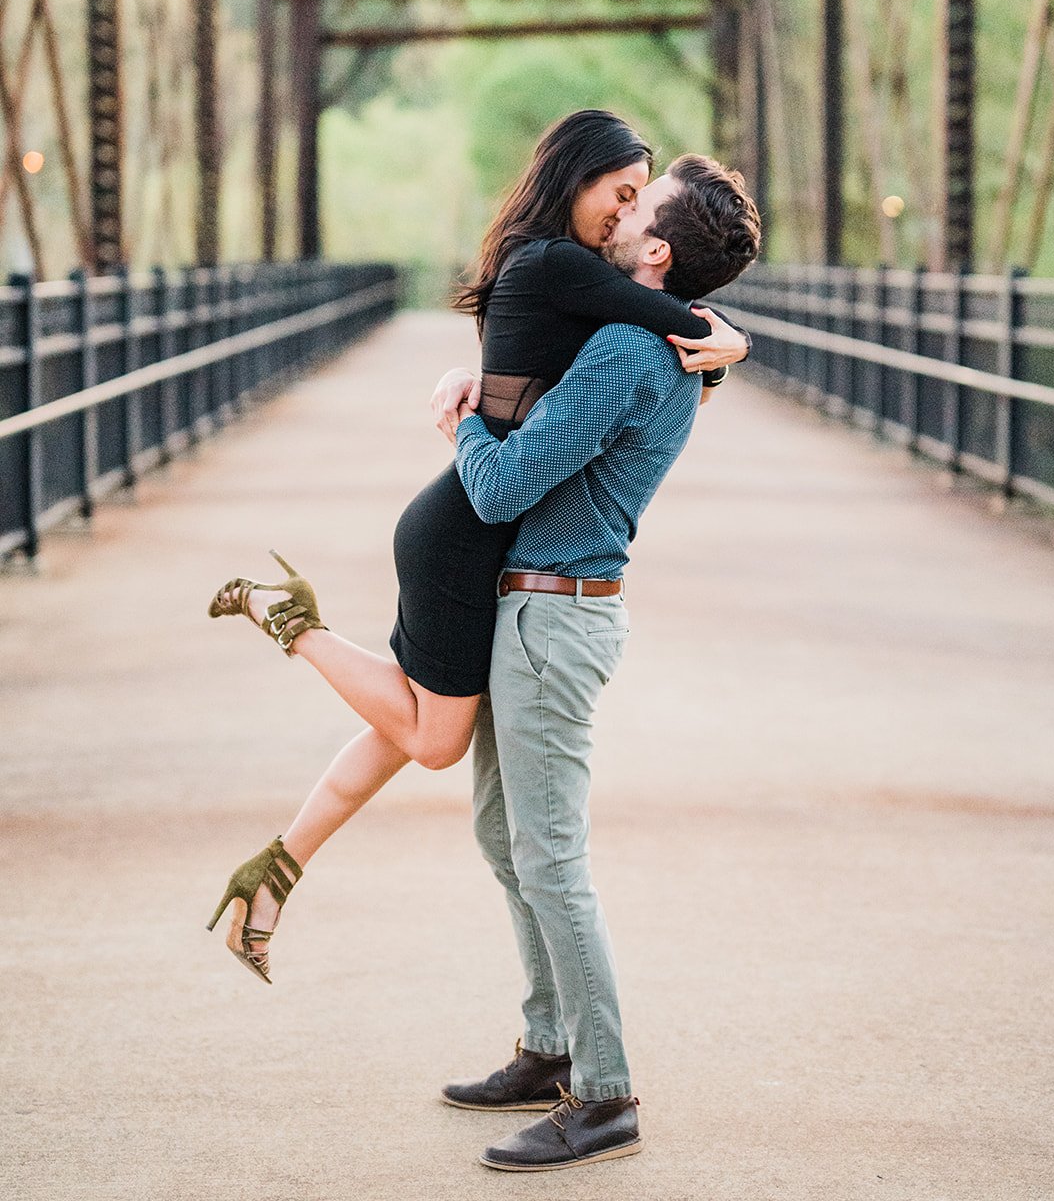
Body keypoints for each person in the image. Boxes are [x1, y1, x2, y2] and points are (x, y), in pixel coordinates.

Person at [206, 111, 756, 982]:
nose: (623, 214)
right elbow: (662, 316)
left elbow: (646, 328)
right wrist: (727, 341)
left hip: (461, 529)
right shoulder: (557, 264)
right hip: (464, 533)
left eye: (635, 202)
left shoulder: (551, 267)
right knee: (433, 742)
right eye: (617, 194)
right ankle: (294, 623)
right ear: (576, 178)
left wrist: (714, 344)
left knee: (399, 730)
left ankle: (272, 872)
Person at [440, 156, 762, 1171]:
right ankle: (546, 1044)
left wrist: (466, 427)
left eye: (637, 205)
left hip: (554, 613)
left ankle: (605, 1090)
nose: (618, 214)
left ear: (654, 250)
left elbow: (501, 488)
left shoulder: (628, 348)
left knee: (551, 857)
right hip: (538, 609)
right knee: (506, 835)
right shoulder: (647, 338)